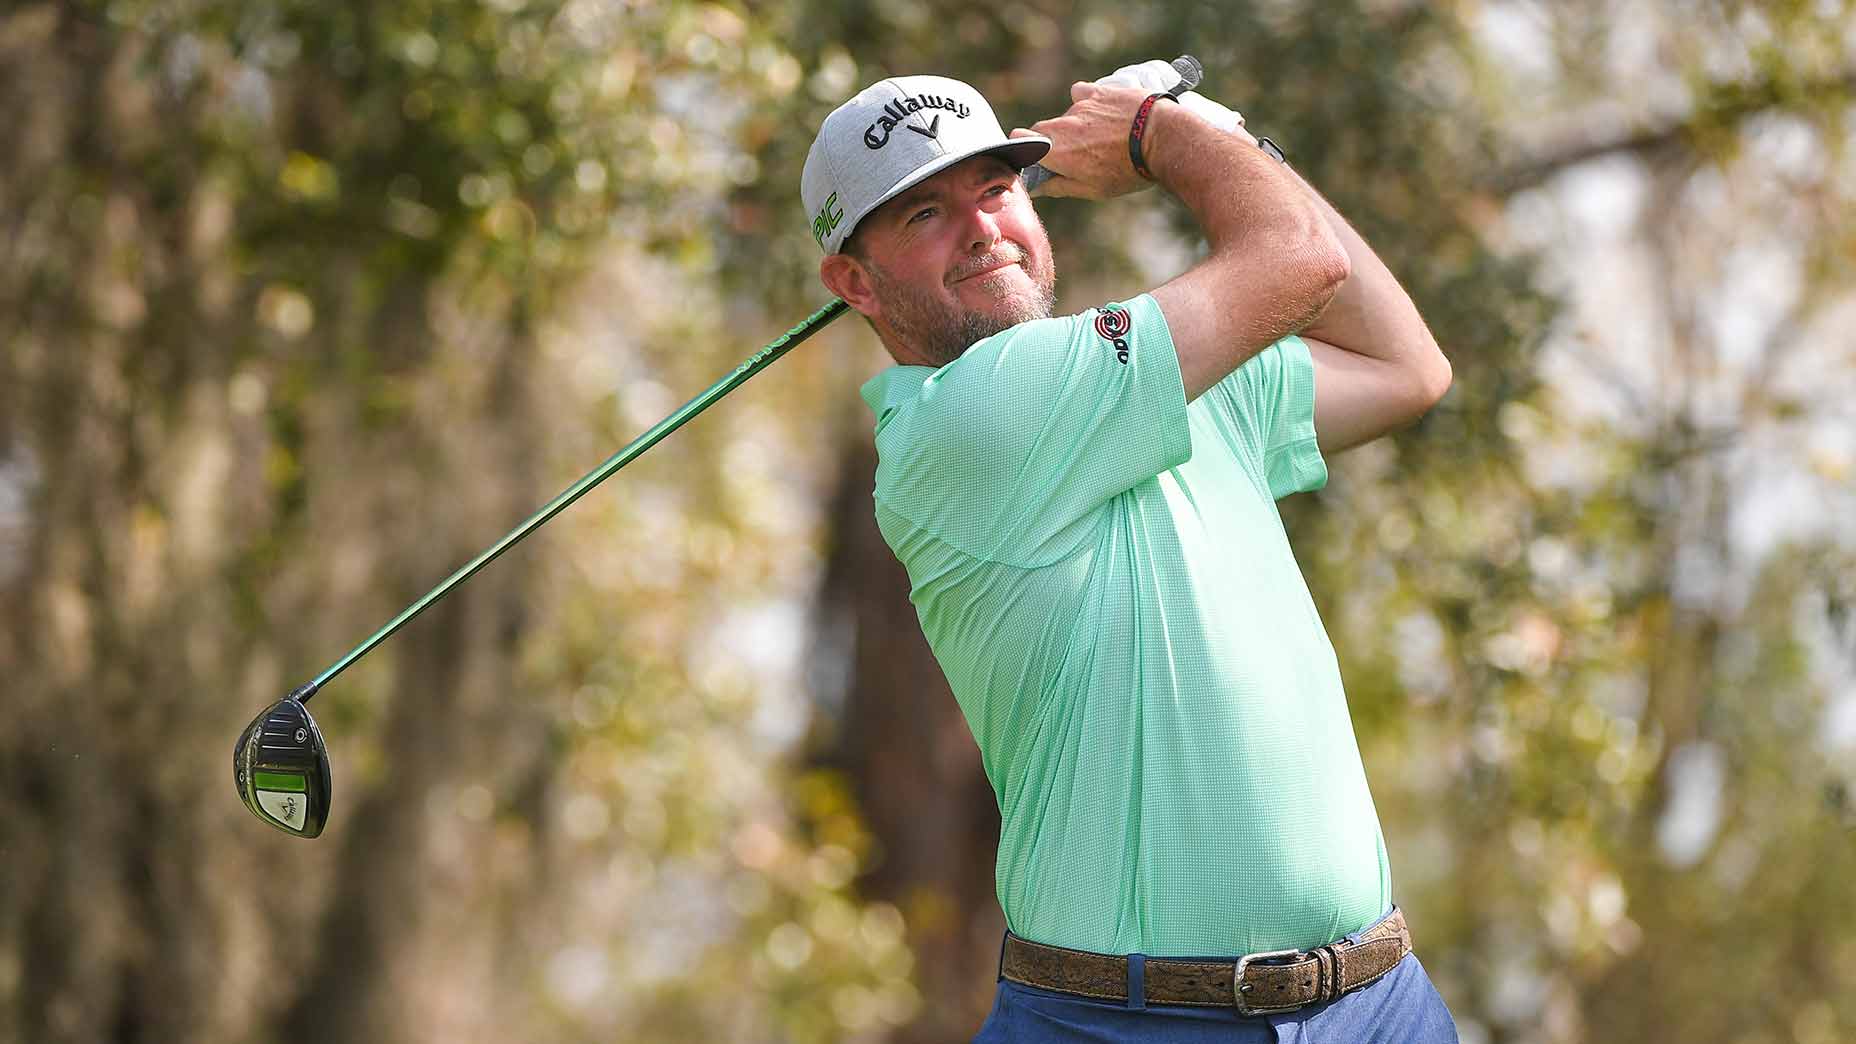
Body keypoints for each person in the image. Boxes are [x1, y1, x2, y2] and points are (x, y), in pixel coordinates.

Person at [801, 60, 1458, 1043]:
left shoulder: (1162, 383)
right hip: (1125, 1020)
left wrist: (1229, 140)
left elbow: (1406, 367)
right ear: (853, 280)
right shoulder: (963, 422)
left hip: (1376, 1002)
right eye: (924, 214)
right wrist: (1163, 134)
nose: (980, 226)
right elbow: (1298, 260)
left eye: (995, 188)